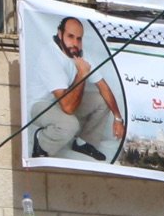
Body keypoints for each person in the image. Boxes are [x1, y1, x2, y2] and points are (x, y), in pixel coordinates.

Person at [29, 15, 125, 161]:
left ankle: (83, 142)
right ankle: (42, 142)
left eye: (79, 39)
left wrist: (118, 118)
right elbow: (68, 107)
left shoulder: (80, 54)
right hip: (41, 105)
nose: (75, 43)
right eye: (70, 37)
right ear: (60, 34)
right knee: (70, 124)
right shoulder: (50, 56)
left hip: (63, 102)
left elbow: (103, 86)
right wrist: (82, 74)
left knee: (102, 100)